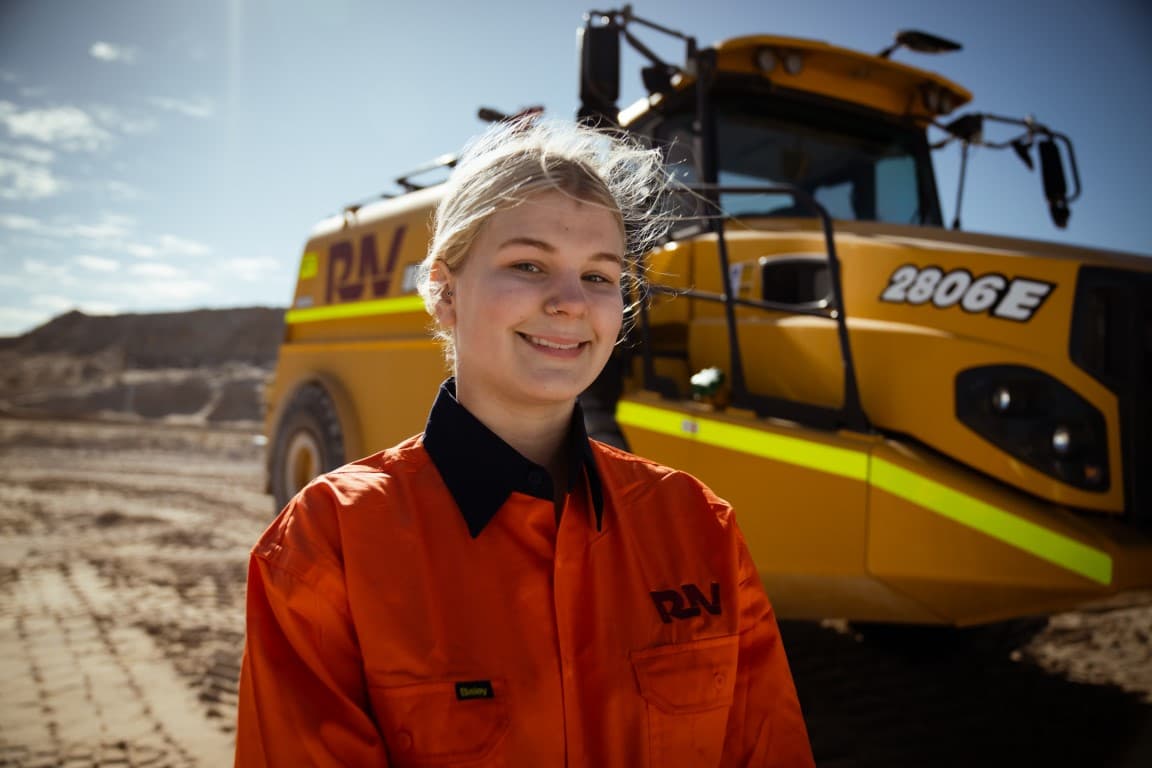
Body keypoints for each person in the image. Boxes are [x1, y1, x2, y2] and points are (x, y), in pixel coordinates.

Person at [234, 118, 814, 767]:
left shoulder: (699, 526)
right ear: (445, 292)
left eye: (599, 276)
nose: (570, 301)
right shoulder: (327, 544)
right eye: (529, 264)